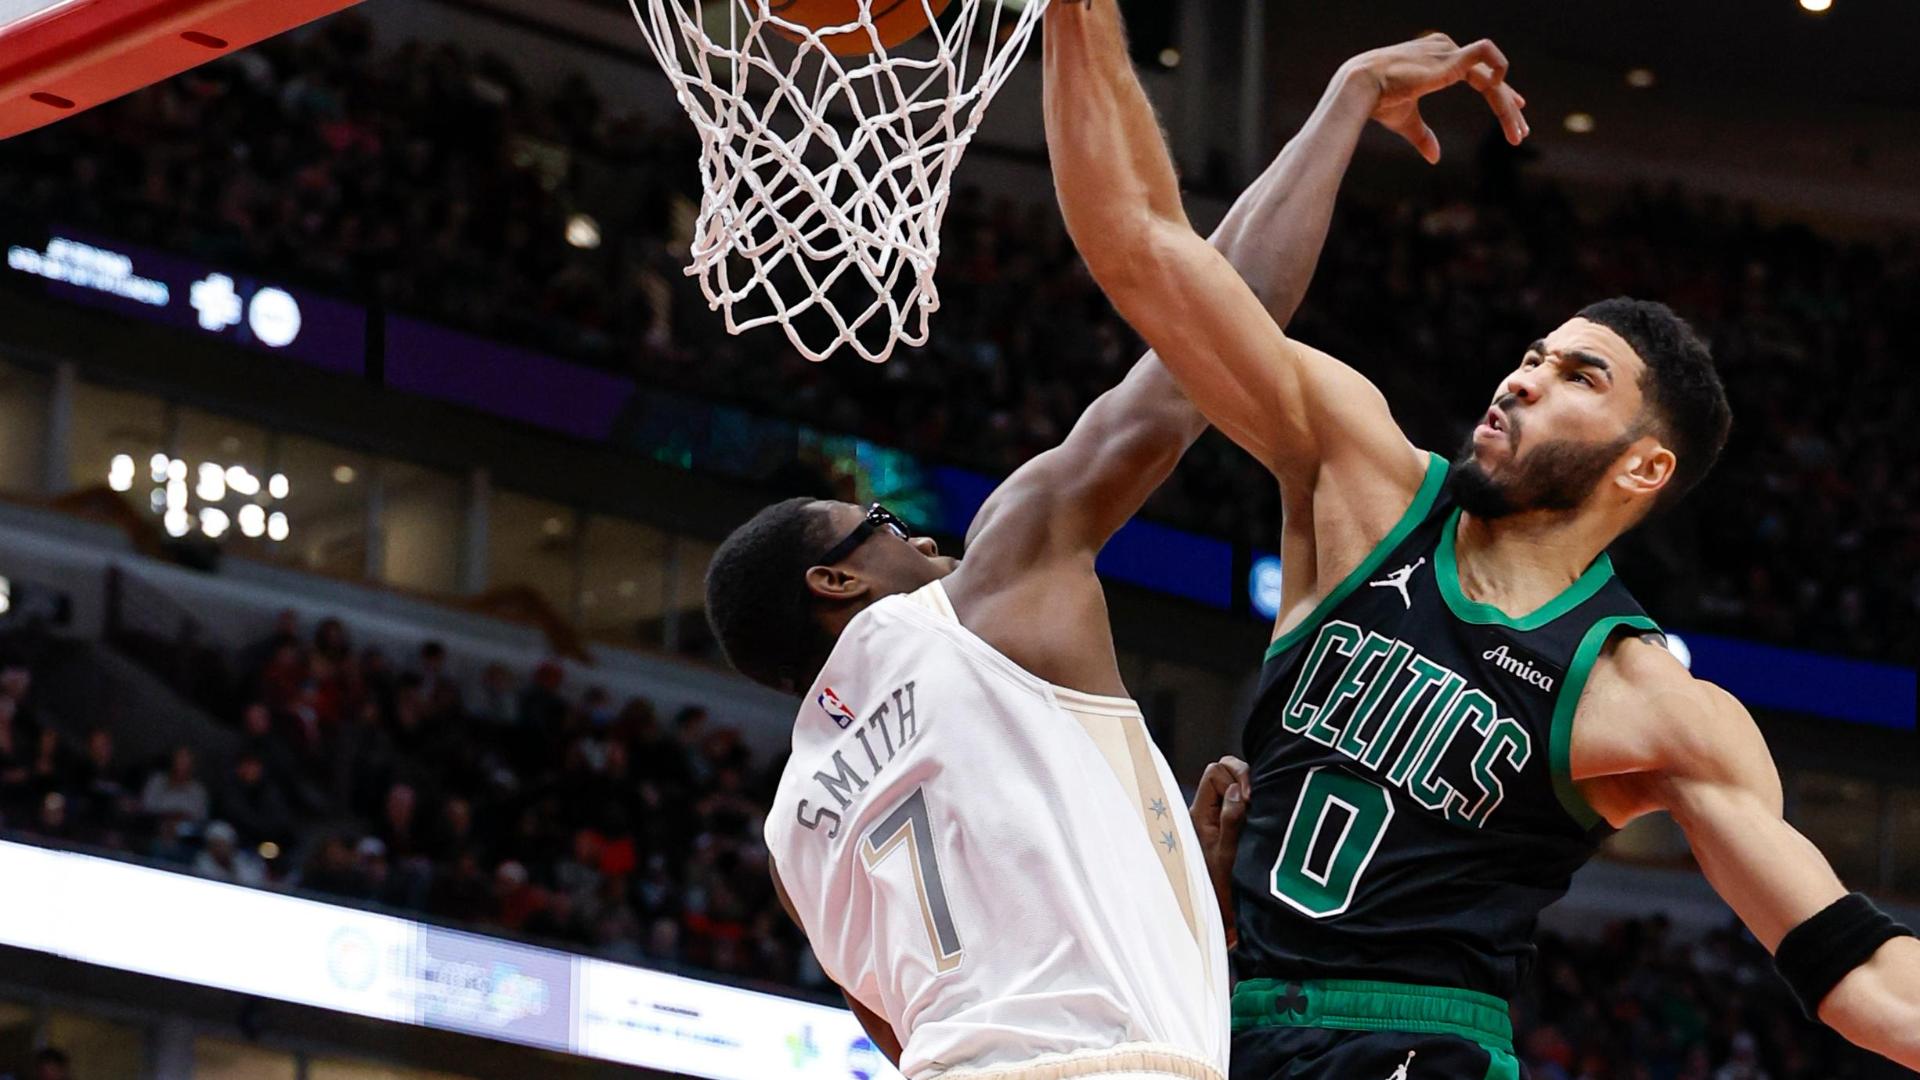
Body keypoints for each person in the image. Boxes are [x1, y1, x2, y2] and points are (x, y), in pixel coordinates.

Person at [1041, 4, 1920, 1075]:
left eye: (1576, 379)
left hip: (1423, 1043)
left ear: (1644, 468)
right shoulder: (1363, 484)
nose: (1523, 378)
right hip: (1226, 1021)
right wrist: (1079, 15)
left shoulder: (1647, 702)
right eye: (1536, 355)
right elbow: (1138, 242)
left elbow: (1859, 976)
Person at [703, 35, 1528, 1080]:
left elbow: (919, 1023)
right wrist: (1345, 99)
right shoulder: (984, 589)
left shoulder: (792, 835)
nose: (918, 535)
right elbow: (1208, 334)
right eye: (878, 523)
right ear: (837, 581)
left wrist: (1165, 868)